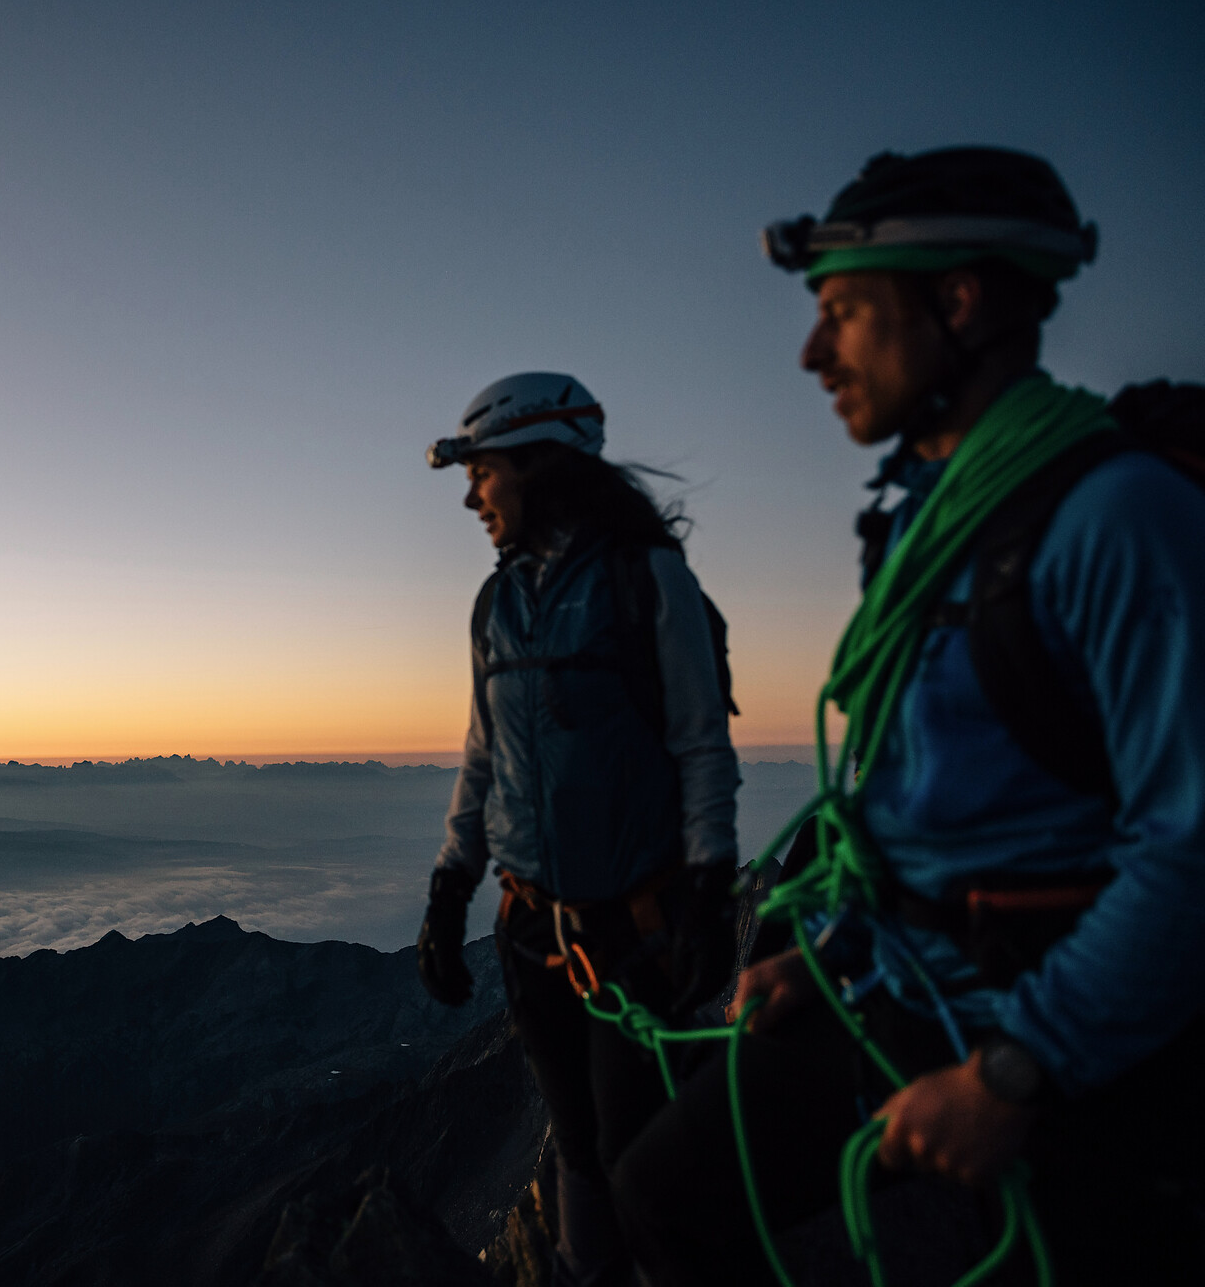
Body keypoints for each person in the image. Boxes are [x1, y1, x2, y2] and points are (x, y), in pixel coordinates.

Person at [610, 147, 1205, 1285]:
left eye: (840, 311)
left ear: (959, 302)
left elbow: (1190, 850)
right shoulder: (928, 524)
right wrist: (827, 950)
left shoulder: (1120, 519)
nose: (810, 352)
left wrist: (1016, 1071)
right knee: (662, 1194)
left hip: (1053, 1024)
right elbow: (914, 802)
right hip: (907, 978)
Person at [414, 372, 741, 1287]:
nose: (473, 498)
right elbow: (484, 757)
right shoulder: (496, 604)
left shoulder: (648, 580)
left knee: (629, 1149)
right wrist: (450, 889)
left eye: (482, 474)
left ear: (538, 464)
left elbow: (702, 747)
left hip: (632, 932)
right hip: (531, 931)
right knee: (578, 1138)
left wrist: (709, 890)